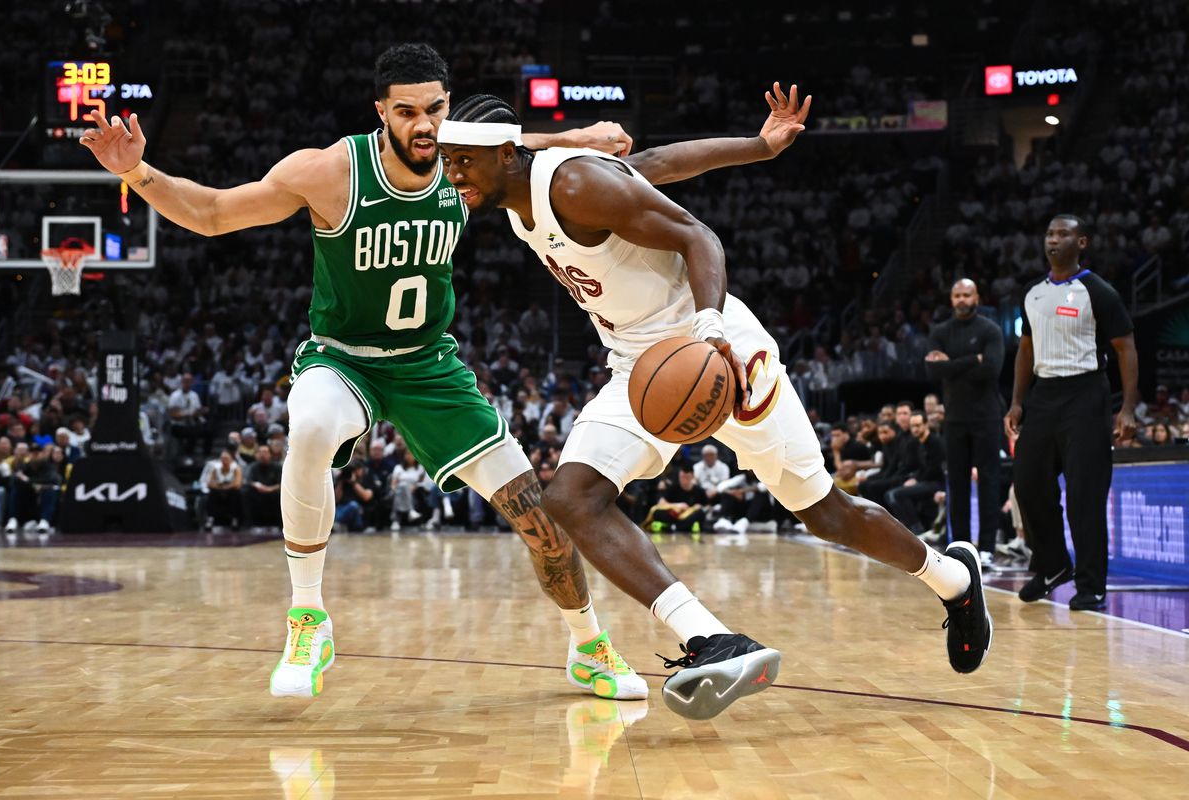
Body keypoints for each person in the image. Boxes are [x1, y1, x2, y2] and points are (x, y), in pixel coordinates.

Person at [80, 43, 645, 702]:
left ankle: (588, 645)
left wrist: (581, 137)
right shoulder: (329, 173)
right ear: (381, 111)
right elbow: (211, 214)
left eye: (435, 108)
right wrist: (139, 171)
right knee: (311, 421)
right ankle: (308, 617)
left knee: (541, 522)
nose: (425, 125)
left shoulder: (467, 165)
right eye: (406, 111)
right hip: (344, 359)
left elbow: (519, 140)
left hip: (430, 367)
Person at [438, 84, 991, 720]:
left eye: (463, 162)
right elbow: (658, 166)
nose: (453, 176)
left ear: (506, 153)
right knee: (570, 497)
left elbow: (696, 236)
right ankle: (711, 640)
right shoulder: (520, 198)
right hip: (642, 368)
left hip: (718, 352)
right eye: (448, 162)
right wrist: (757, 145)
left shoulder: (573, 185)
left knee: (825, 514)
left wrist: (709, 326)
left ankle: (952, 580)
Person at [1006, 214, 1138, 611]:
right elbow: (1026, 351)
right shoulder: (1033, 294)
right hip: (1044, 395)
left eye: (1063, 234)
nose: (1054, 239)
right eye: (1049, 233)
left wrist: (1128, 407)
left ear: (1081, 242)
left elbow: (1125, 347)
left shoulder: (1098, 291)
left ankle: (1092, 584)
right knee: (1027, 484)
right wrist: (1016, 400)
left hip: (1086, 393)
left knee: (1085, 493)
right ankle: (1051, 565)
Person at [925, 279, 1005, 556]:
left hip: (987, 416)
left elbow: (993, 370)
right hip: (955, 418)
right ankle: (960, 548)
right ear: (951, 299)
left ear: (977, 297)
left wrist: (950, 366)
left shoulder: (990, 330)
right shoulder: (940, 331)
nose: (961, 300)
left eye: (966, 295)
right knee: (956, 485)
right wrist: (974, 360)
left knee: (989, 482)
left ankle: (987, 548)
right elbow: (932, 372)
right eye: (957, 295)